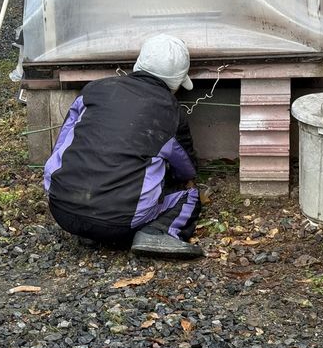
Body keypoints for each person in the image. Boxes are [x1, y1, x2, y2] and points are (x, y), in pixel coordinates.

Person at [43, 34, 203, 258]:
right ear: (177, 82)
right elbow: (186, 168)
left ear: (138, 63)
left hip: (62, 208)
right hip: (120, 222)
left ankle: (89, 231)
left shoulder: (94, 90)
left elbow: (62, 142)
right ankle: (159, 232)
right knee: (189, 196)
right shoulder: (171, 111)